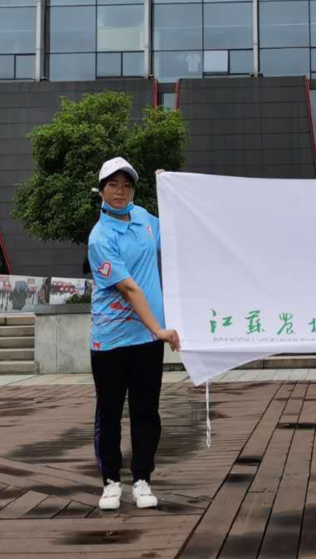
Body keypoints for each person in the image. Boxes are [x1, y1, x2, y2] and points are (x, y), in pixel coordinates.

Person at [88, 157, 180, 511]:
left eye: (126, 185)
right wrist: (159, 328)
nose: (120, 192)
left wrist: (170, 189)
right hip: (111, 340)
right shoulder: (100, 237)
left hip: (146, 342)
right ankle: (111, 482)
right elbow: (129, 288)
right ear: (101, 190)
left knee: (146, 411)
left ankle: (142, 479)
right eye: (113, 185)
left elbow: (176, 233)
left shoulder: (143, 218)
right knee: (109, 412)